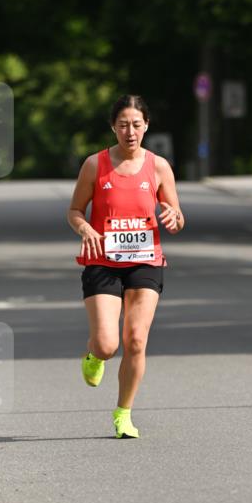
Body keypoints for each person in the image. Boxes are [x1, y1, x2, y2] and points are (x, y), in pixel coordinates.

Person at [67, 94, 184, 439]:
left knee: (135, 339)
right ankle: (94, 355)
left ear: (146, 125)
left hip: (146, 260)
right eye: (122, 125)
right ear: (113, 127)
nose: (130, 132)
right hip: (102, 260)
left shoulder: (159, 167)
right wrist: (86, 227)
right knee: (107, 344)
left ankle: (124, 413)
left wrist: (174, 218)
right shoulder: (95, 165)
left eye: (136, 124)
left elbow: (177, 216)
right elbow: (75, 210)